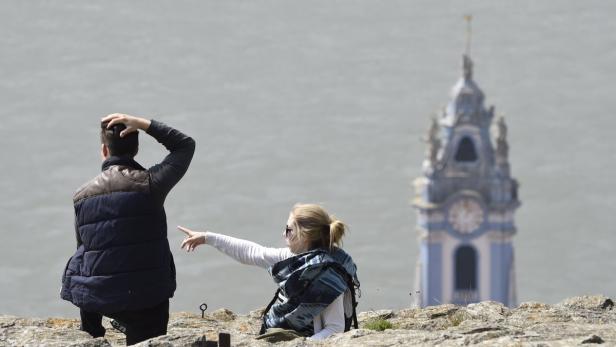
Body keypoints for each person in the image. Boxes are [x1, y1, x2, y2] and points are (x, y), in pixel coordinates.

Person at [61, 113, 195, 345]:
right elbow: (185, 145)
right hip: (147, 298)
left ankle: (93, 335)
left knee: (82, 259)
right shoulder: (151, 183)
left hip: (100, 297)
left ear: (104, 150)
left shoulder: (82, 196)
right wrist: (145, 124)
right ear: (136, 149)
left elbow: (82, 247)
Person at [178, 203, 359, 340]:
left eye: (288, 230)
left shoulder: (328, 275)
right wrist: (207, 238)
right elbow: (252, 252)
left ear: (305, 235)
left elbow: (335, 328)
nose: (283, 234)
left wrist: (302, 345)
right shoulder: (293, 258)